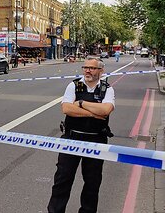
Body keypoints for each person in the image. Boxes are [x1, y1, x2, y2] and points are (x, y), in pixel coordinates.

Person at [48, 57, 115, 213]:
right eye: (85, 67)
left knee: (92, 182)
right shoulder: (73, 85)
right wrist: (93, 113)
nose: (87, 70)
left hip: (96, 139)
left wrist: (80, 103)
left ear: (101, 71)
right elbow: (66, 109)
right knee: (62, 179)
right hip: (72, 138)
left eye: (92, 68)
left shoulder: (107, 89)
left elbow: (105, 111)